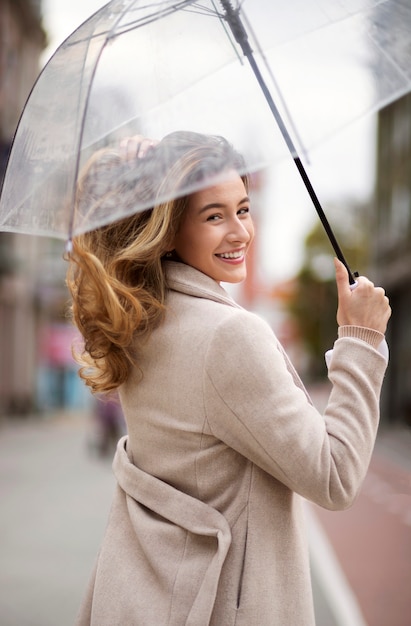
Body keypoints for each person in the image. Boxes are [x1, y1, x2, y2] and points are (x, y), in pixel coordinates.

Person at [66, 131, 391, 626]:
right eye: (213, 215)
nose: (239, 232)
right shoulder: (229, 337)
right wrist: (361, 339)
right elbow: (335, 476)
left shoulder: (139, 322)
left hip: (151, 596)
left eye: (243, 208)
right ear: (170, 228)